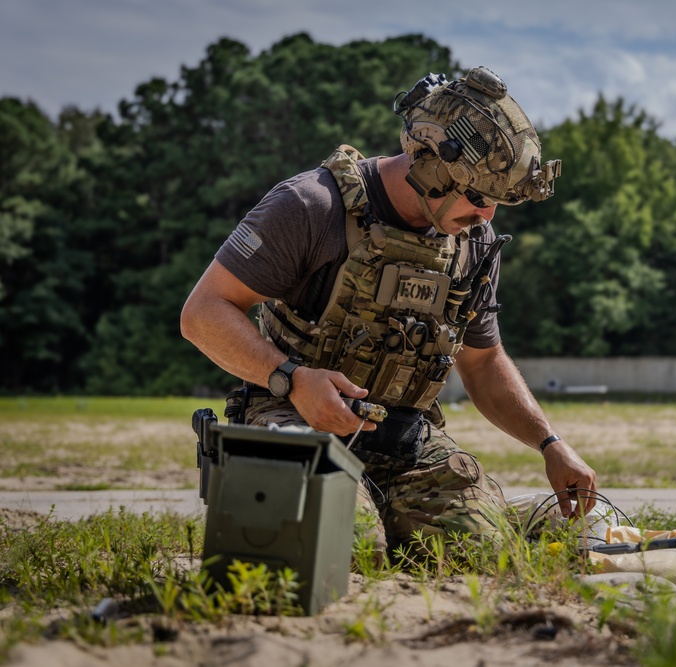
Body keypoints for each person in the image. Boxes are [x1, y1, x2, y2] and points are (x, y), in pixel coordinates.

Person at [180, 66, 597, 560]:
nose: (486, 216)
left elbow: (484, 362)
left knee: (481, 553)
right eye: (478, 197)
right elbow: (203, 312)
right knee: (346, 548)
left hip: (399, 436)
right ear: (431, 166)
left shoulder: (473, 239)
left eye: (496, 203)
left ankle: (491, 515)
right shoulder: (312, 205)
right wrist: (291, 379)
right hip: (294, 416)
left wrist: (550, 443)